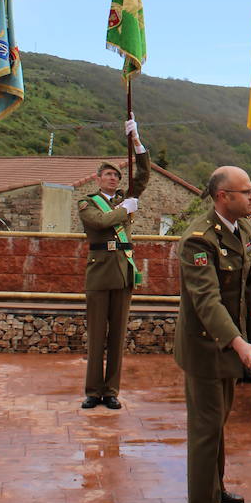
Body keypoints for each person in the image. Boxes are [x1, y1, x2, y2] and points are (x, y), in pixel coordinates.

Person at [173, 166, 251, 503]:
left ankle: (216, 487)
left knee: (219, 423)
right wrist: (237, 342)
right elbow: (207, 300)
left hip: (231, 347)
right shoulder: (198, 241)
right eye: (246, 192)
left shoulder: (243, 229)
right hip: (208, 350)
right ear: (222, 197)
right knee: (206, 432)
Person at [78, 117, 150, 410]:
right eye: (108, 175)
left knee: (118, 336)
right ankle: (93, 390)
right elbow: (100, 223)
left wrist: (136, 141)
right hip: (99, 272)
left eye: (117, 175)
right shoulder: (88, 202)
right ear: (98, 178)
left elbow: (143, 174)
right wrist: (124, 210)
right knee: (97, 336)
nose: (113, 178)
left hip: (122, 272)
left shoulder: (126, 197)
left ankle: (111, 391)